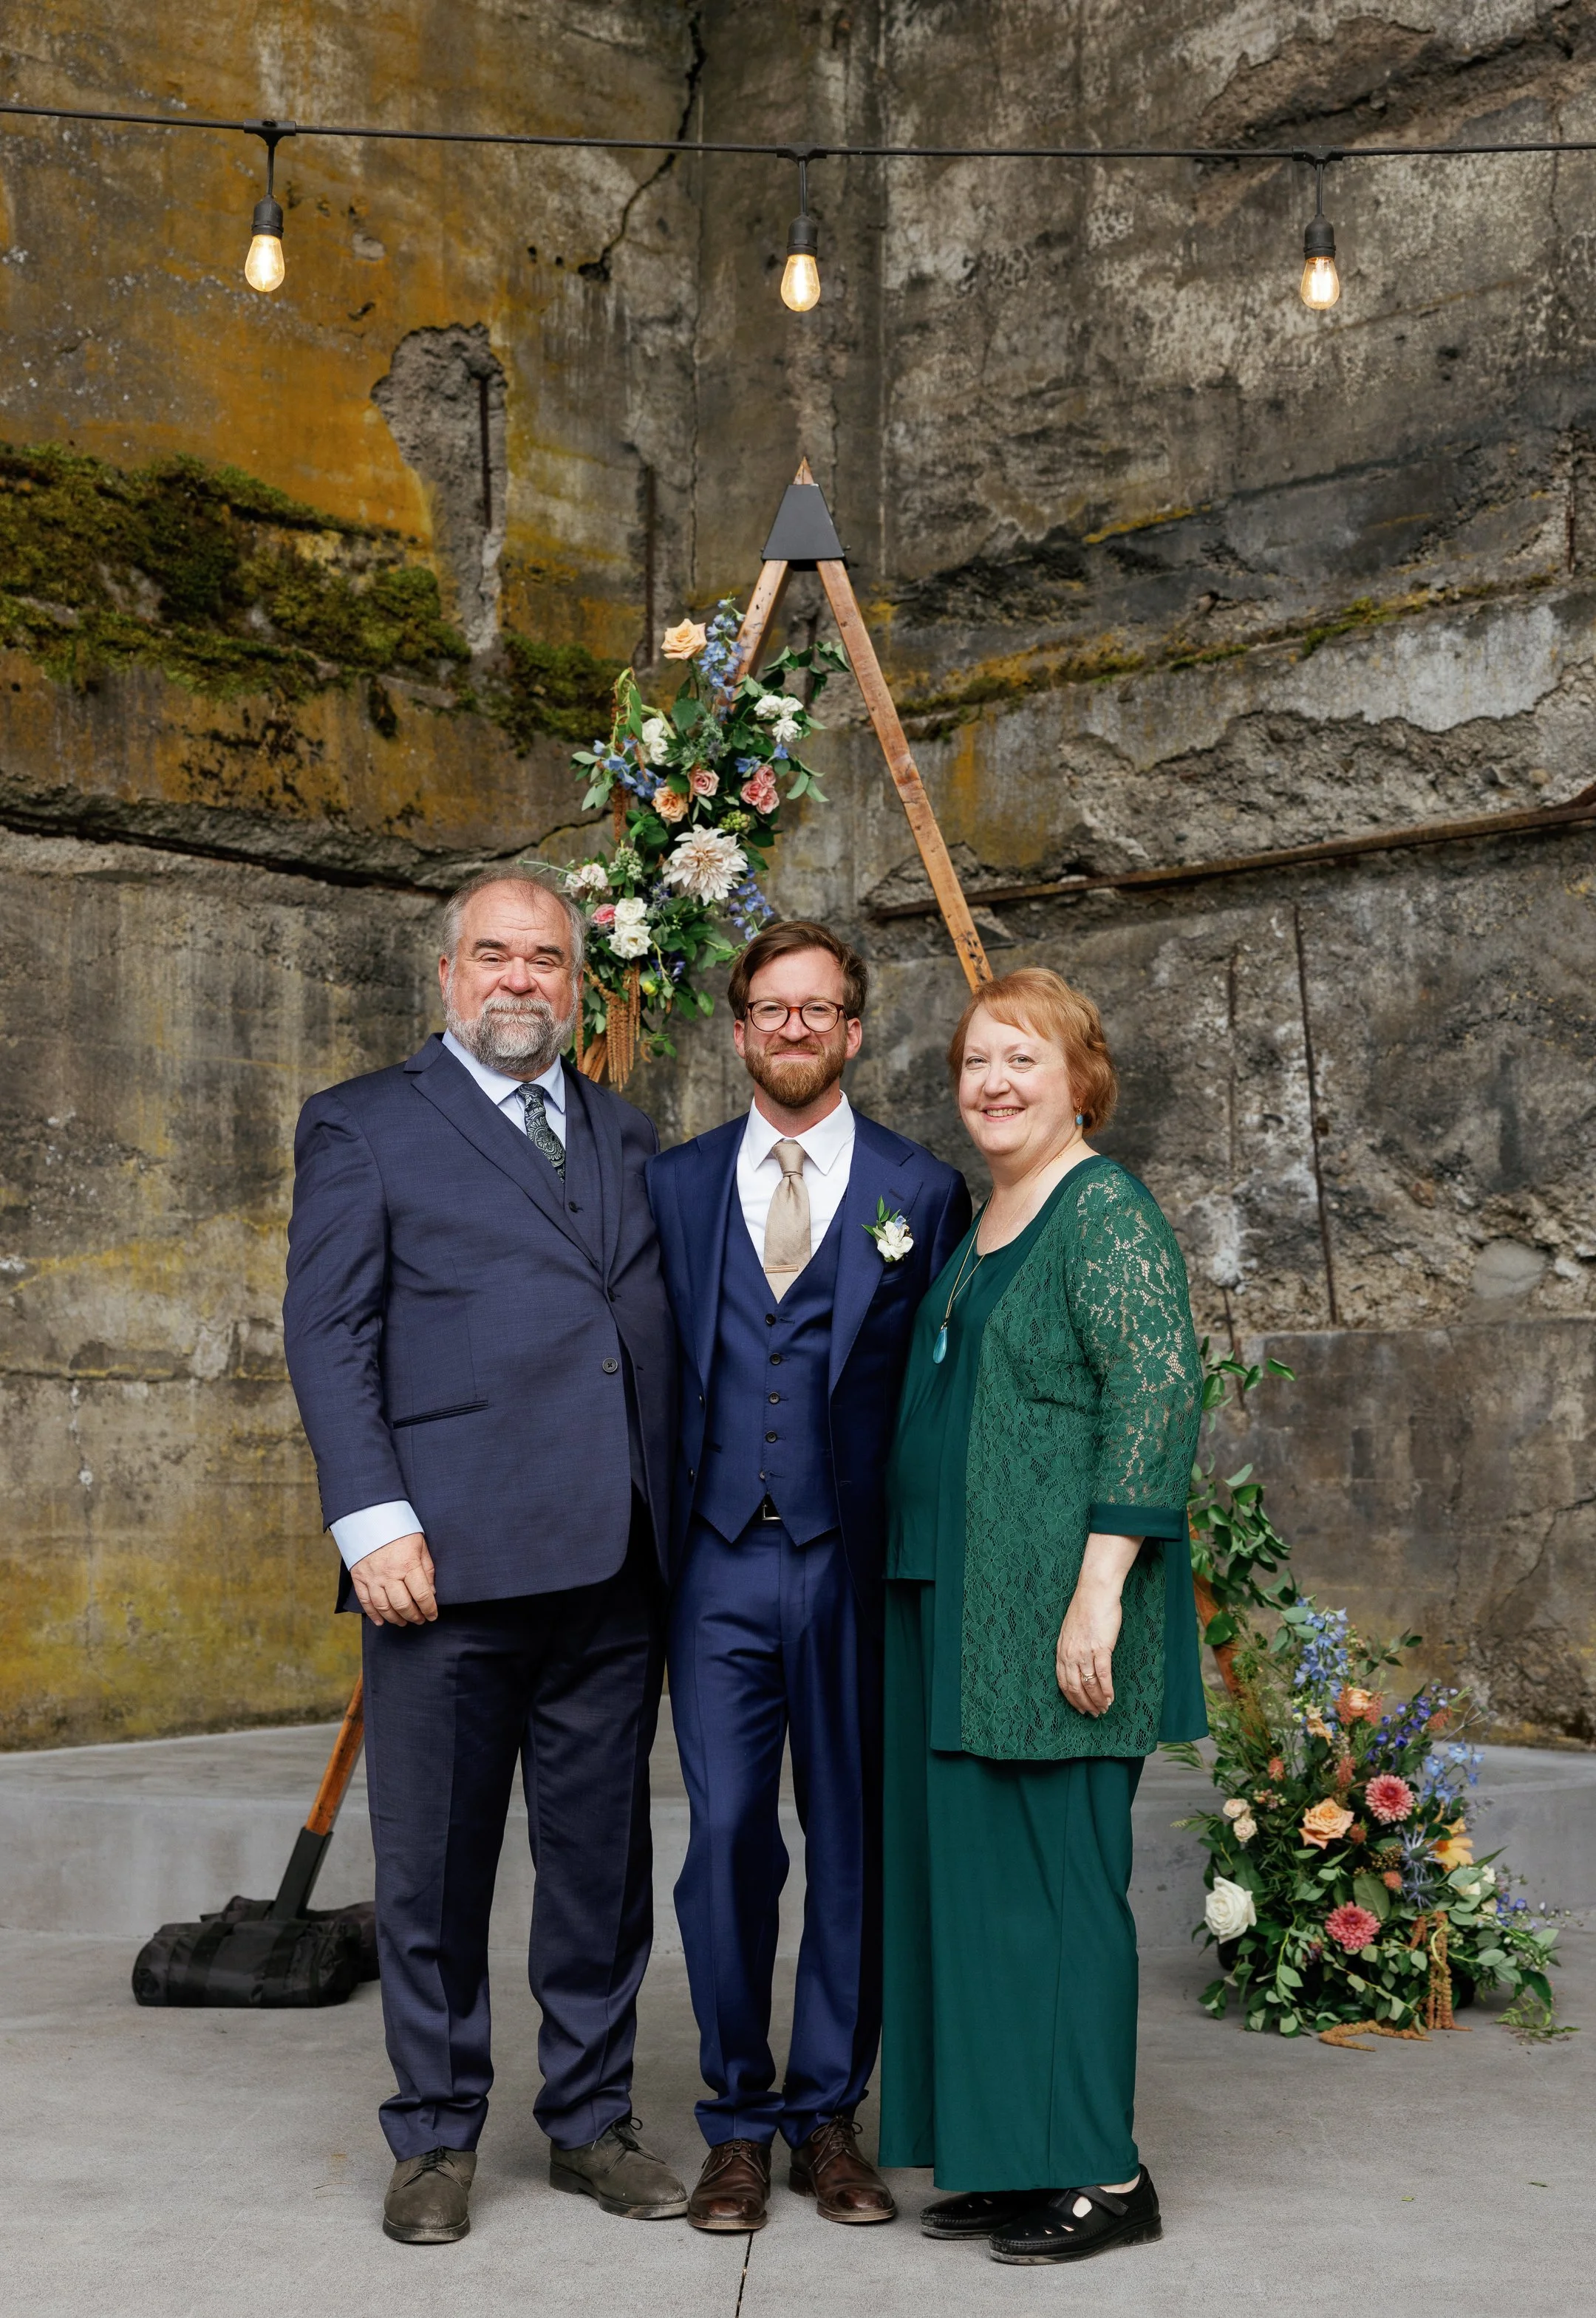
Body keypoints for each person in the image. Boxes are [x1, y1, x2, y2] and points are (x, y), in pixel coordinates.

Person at [283, 864, 687, 2246]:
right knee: (435, 1869)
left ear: (579, 986)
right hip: (440, 1565)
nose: (523, 981)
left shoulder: (631, 1139)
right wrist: (372, 1519)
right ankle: (437, 2136)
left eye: (549, 961)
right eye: (496, 957)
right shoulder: (364, 1126)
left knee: (600, 1864)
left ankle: (587, 2121)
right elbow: (327, 1335)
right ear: (450, 977)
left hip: (611, 1564)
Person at [647, 921, 972, 2235]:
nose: (792, 1029)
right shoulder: (672, 1186)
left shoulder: (922, 1190)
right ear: (737, 1032)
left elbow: (947, 1392)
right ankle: (735, 2120)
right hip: (716, 1563)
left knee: (849, 1847)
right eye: (768, 1010)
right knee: (725, 1840)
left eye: (817, 1010)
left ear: (851, 1032)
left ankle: (826, 2117)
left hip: (849, 1564)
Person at [878, 966, 1204, 2266]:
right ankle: (1018, 2156)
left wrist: (1099, 1590)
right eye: (975, 1062)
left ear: (1082, 1081)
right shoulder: (987, 1217)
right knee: (981, 1899)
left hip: (1057, 1615)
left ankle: (1104, 2175)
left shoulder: (1103, 1211)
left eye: (1024, 1059)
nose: (994, 1084)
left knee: (1065, 1896)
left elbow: (1159, 1393)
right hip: (956, 1611)